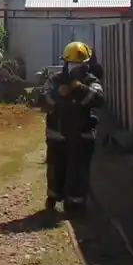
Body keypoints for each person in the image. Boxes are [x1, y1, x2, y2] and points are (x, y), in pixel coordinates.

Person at [42, 41, 104, 212]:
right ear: (65, 63)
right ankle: (53, 198)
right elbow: (43, 99)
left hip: (81, 136)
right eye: (71, 64)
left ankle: (75, 204)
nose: (74, 68)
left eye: (79, 64)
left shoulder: (91, 81)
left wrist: (81, 88)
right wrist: (58, 94)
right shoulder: (56, 79)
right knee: (56, 169)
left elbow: (99, 98)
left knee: (79, 172)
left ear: (86, 65)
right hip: (58, 134)